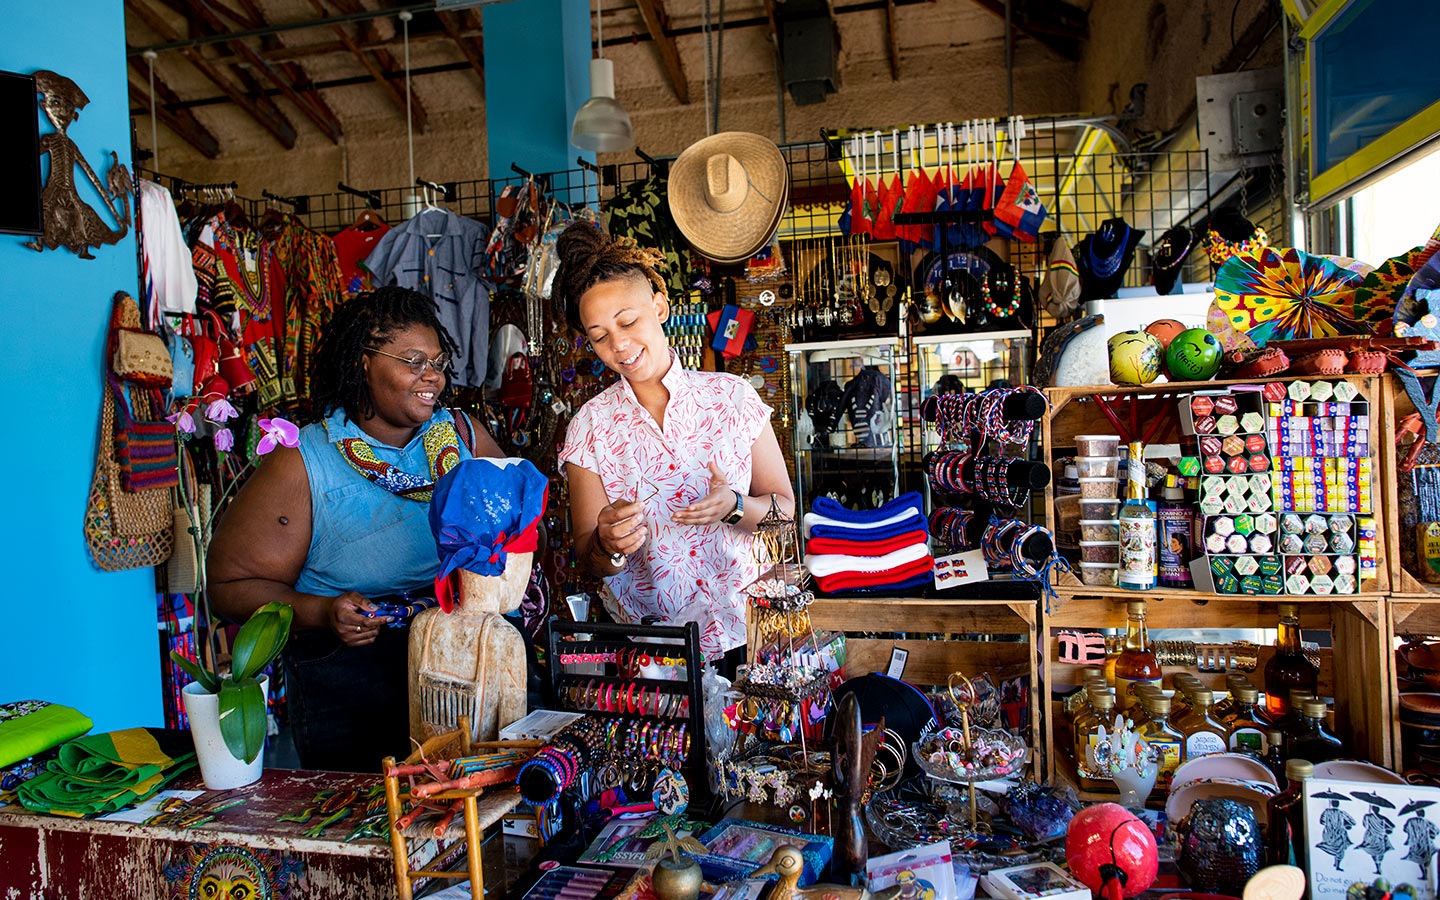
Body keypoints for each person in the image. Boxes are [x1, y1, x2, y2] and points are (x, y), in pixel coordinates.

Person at [207, 286, 503, 771]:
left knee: (475, 821)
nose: (433, 377)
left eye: (438, 361)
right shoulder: (304, 459)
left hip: (463, 656)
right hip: (352, 671)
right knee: (370, 824)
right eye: (413, 361)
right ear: (364, 361)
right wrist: (323, 611)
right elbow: (227, 586)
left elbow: (525, 534)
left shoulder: (464, 437)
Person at [555, 223, 795, 671]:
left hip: (750, 630)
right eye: (599, 335)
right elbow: (592, 560)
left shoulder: (733, 397)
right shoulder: (589, 426)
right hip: (652, 647)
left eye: (628, 321)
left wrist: (736, 505)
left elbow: (784, 512)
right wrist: (608, 543)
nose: (619, 344)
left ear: (660, 307)